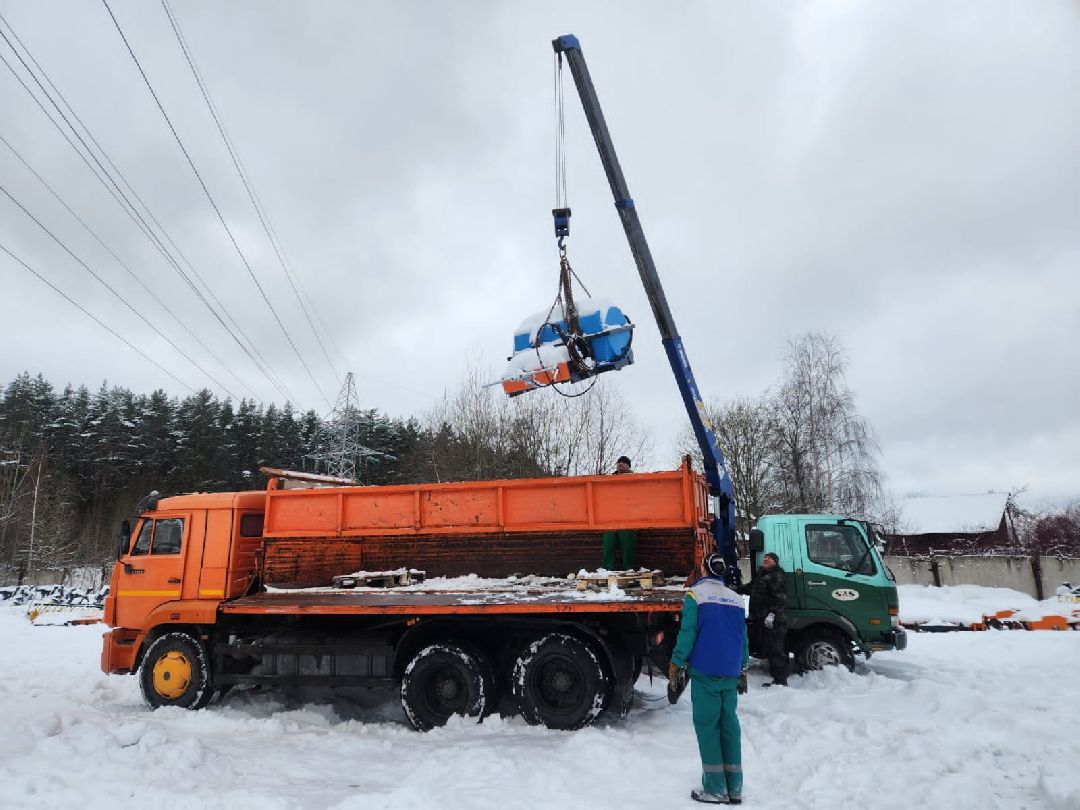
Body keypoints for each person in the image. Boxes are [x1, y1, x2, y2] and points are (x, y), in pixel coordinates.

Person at [669, 552, 749, 805]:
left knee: (707, 728)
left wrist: (676, 661)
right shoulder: (736, 599)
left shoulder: (695, 596)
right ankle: (734, 787)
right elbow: (742, 638)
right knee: (729, 728)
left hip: (705, 673)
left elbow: (688, 632)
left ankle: (715, 788)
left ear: (704, 570)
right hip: (730, 672)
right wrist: (743, 668)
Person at [748, 551, 789, 687]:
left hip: (774, 621)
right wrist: (734, 589)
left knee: (776, 650)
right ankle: (777, 679)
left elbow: (780, 598)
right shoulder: (762, 575)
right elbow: (751, 589)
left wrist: (772, 615)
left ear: (775, 562)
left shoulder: (776, 576)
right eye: (765, 557)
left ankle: (781, 681)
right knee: (770, 650)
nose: (766, 559)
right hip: (762, 618)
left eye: (769, 558)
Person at [601, 456, 637, 570]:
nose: (620, 464)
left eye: (624, 462)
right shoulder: (609, 480)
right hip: (611, 519)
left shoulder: (635, 479)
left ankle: (629, 569)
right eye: (619, 462)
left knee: (628, 544)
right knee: (608, 544)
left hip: (629, 519)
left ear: (629, 466)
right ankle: (607, 570)